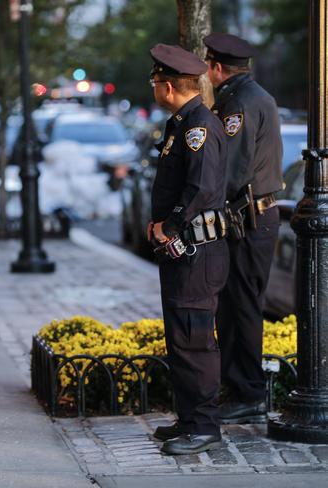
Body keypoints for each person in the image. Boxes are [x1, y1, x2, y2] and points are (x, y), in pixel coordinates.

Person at [145, 44, 229, 455]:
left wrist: (169, 225)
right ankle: (190, 418)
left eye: (156, 82)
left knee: (195, 339)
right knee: (180, 337)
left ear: (168, 85)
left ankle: (205, 425)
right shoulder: (181, 123)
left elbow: (201, 188)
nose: (154, 89)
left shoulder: (199, 126)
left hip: (197, 249)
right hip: (182, 251)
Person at [204, 33, 283, 424]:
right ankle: (239, 387)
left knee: (242, 307)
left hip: (249, 218)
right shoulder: (254, 95)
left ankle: (247, 392)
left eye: (208, 66)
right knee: (237, 306)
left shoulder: (238, 102)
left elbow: (230, 168)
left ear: (217, 68)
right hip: (254, 216)